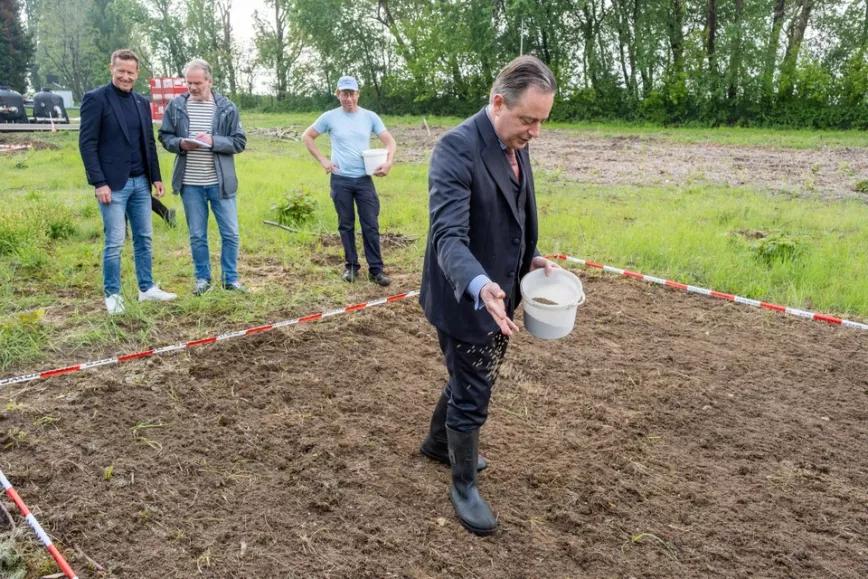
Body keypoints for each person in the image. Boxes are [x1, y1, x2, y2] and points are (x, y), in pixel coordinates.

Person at [418, 55, 559, 536]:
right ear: (498, 102)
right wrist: (482, 287)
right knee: (475, 389)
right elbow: (449, 238)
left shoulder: (515, 141)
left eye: (542, 121)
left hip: (504, 289)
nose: (535, 132)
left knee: (466, 374)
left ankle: (438, 444)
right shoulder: (456, 149)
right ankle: (463, 487)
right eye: (528, 119)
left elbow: (512, 209)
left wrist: (531, 256)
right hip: (467, 297)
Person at [79, 49, 177, 315]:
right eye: (120, 71)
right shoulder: (95, 99)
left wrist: (155, 176)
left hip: (141, 183)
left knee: (144, 237)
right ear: (111, 68)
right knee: (115, 241)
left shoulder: (141, 103)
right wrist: (99, 182)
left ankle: (146, 289)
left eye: (130, 72)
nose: (125, 76)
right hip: (112, 186)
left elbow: (148, 142)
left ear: (137, 73)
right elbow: (87, 144)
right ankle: (112, 294)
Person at [159, 58, 247, 295]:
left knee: (230, 233)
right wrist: (180, 144)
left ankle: (230, 279)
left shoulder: (227, 107)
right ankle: (202, 279)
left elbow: (239, 142)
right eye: (189, 83)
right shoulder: (176, 106)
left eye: (197, 83)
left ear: (210, 81)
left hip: (221, 183)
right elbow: (165, 137)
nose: (193, 88)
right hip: (190, 184)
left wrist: (214, 141)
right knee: (197, 235)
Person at [302, 76, 396, 287]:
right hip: (340, 180)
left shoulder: (370, 117)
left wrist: (388, 162)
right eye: (344, 94)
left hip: (364, 180)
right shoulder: (329, 117)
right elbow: (307, 136)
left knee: (370, 225)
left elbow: (390, 141)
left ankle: (376, 270)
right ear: (338, 94)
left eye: (352, 93)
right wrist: (323, 160)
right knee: (346, 225)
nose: (348, 98)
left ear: (358, 94)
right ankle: (351, 267)